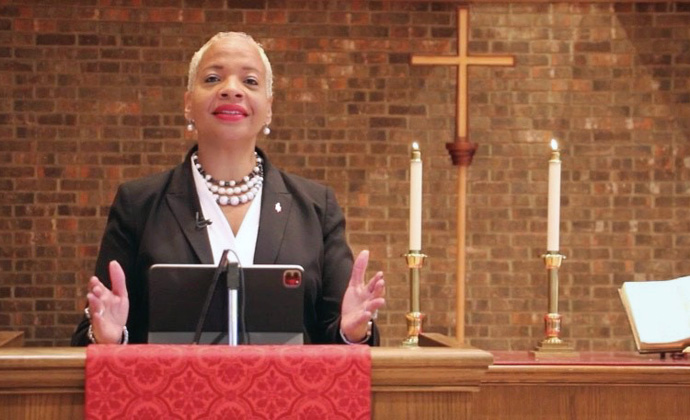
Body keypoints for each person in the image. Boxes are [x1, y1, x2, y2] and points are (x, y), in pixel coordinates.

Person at [71, 32, 385, 346]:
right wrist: (108, 337)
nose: (231, 90)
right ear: (187, 104)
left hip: (289, 395)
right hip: (169, 394)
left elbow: (339, 337)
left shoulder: (317, 208)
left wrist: (353, 331)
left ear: (269, 108)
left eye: (250, 81)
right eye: (212, 78)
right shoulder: (138, 204)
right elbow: (90, 334)